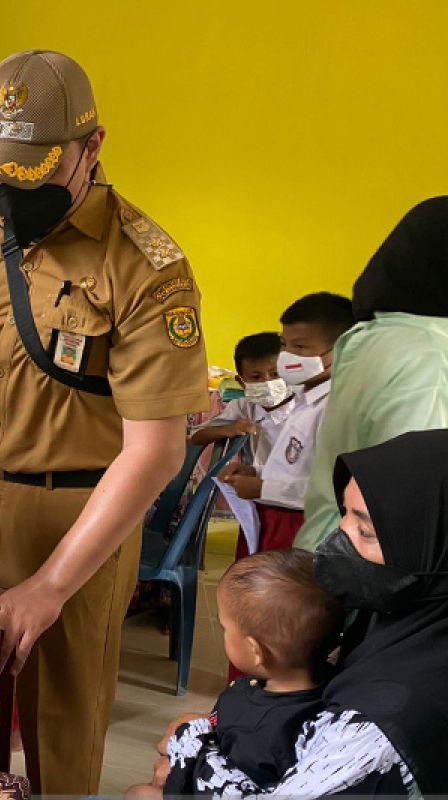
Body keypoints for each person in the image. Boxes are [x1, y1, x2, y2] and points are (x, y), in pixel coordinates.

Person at [0, 50, 209, 793]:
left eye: (34, 175)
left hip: (82, 516)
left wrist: (51, 584)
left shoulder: (144, 266)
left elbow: (157, 451)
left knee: (60, 726)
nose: (12, 194)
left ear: (91, 146)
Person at [149, 430, 448, 797]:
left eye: (366, 530)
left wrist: (190, 751)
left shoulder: (385, 723)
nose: (337, 539)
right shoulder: (393, 616)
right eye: (344, 516)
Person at [296, 197, 448, 550]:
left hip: (338, 556)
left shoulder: (378, 336)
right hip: (379, 580)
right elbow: (416, 503)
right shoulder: (431, 360)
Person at [136, 550, 343, 796]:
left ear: (256, 651)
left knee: (137, 794)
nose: (223, 632)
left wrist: (184, 749)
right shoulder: (327, 691)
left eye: (225, 628)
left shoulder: (259, 732)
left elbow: (222, 787)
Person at [219, 293, 354, 552]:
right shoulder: (305, 400)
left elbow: (334, 490)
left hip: (301, 530)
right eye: (284, 345)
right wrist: (257, 474)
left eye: (300, 348)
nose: (288, 357)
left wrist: (263, 488)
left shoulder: (336, 409)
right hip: (273, 520)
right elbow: (297, 469)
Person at [189, 332, 292, 471]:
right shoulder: (243, 407)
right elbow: (196, 437)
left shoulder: (308, 407)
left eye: (276, 374)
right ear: (241, 382)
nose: (267, 382)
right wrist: (228, 429)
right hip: (251, 486)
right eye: (256, 377)